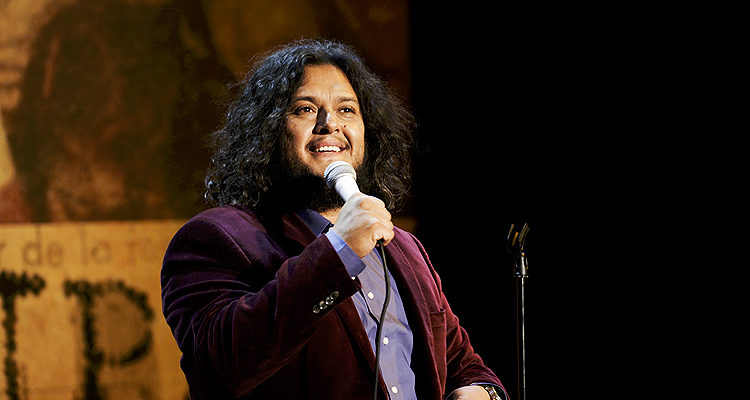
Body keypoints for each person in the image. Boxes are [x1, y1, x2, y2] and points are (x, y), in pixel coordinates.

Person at [161, 39, 507, 400]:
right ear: (268, 130)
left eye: (347, 110)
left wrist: (483, 391)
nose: (330, 124)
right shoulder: (214, 238)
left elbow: (460, 360)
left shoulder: (404, 247)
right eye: (306, 109)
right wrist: (339, 250)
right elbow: (218, 367)